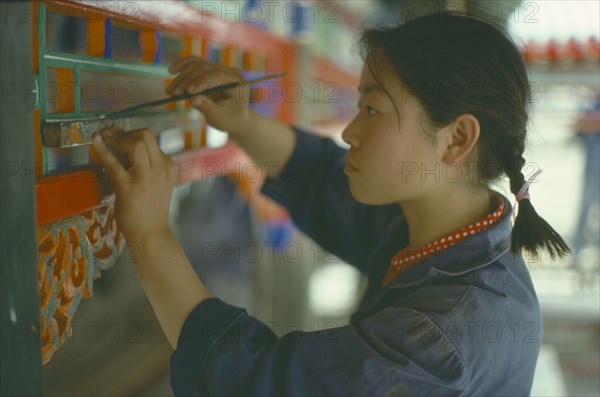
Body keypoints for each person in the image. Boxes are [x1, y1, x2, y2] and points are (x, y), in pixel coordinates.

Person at [92, 12, 570, 396]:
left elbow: (258, 382)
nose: (349, 131)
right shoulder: (445, 229)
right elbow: (326, 184)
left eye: (372, 109)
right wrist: (239, 120)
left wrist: (150, 235)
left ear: (456, 139)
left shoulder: (442, 337)